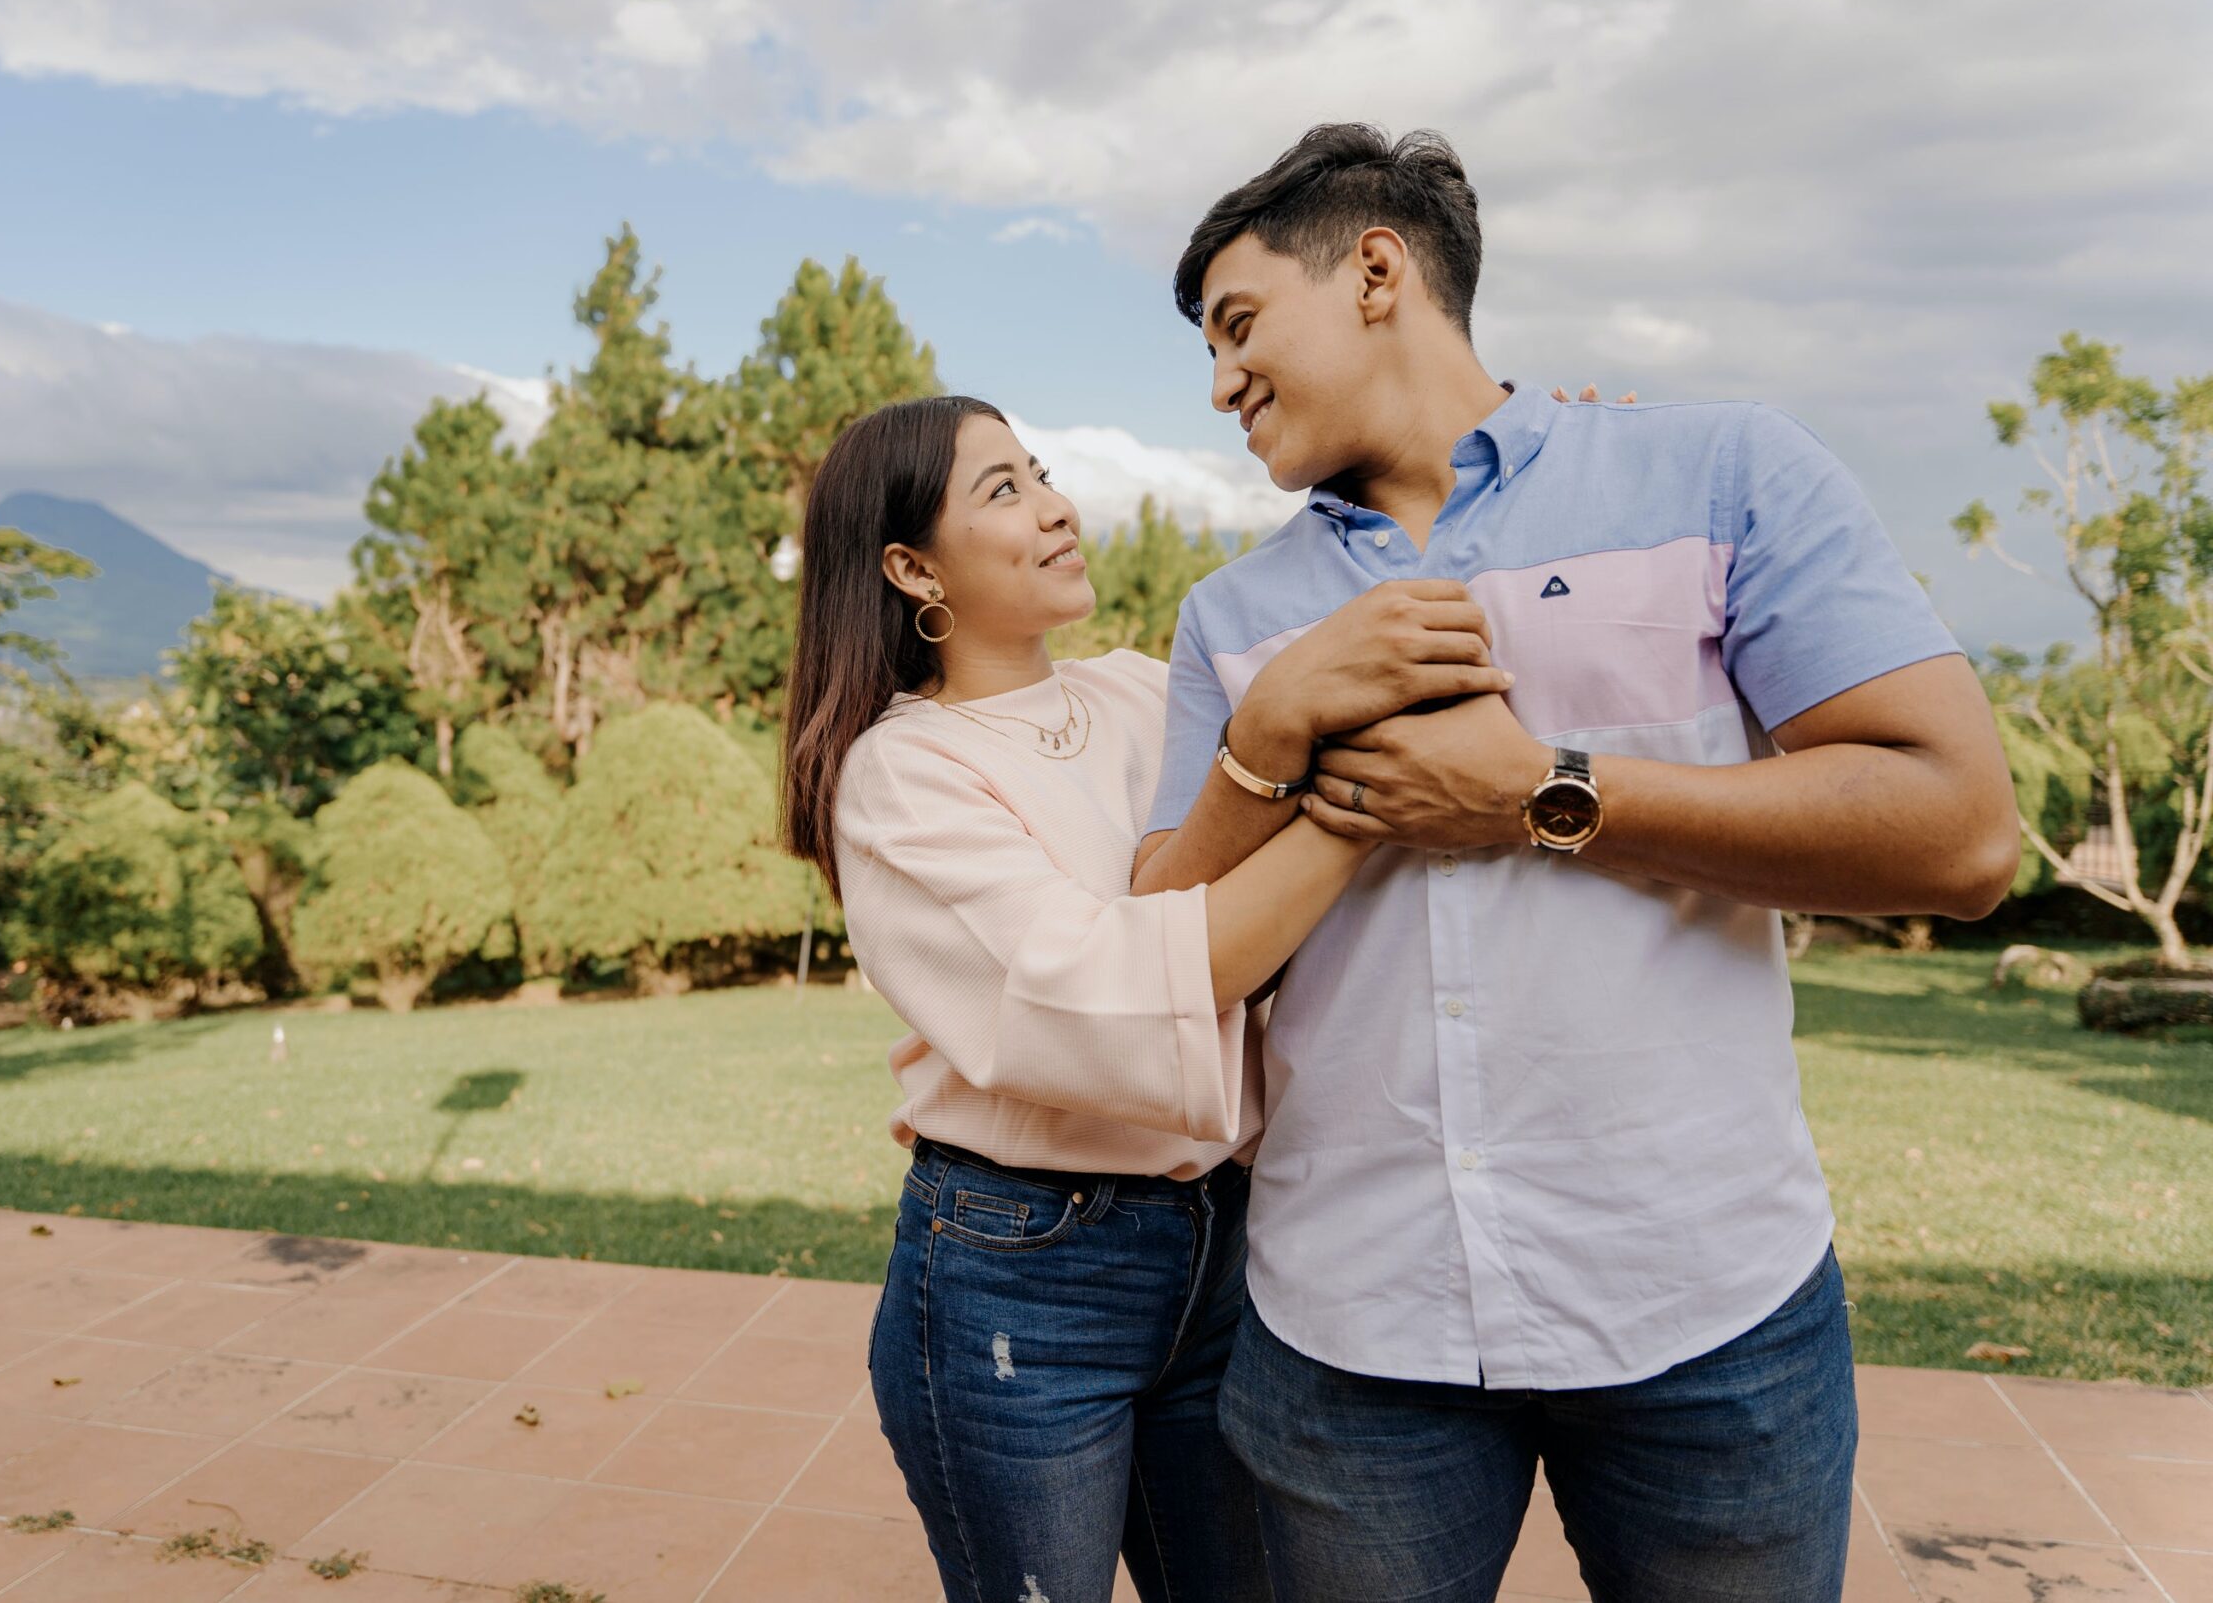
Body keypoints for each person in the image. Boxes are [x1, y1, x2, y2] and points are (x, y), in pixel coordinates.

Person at [1134, 123, 2021, 1603]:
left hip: (1707, 1305)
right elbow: (1161, 942)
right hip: (1350, 1334)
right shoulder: (1232, 613)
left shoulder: (1721, 471)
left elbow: (1962, 830)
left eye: (1237, 324)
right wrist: (1274, 727)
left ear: (1375, 270)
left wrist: (1543, 793)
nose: (1219, 380)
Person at [777, 392, 1521, 1603]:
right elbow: (1124, 983)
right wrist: (1376, 812)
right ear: (913, 566)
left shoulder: (1137, 690)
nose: (1056, 507)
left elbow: (1362, 675)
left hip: (1223, 1255)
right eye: (1002, 492)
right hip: (1021, 1277)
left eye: (1043, 473)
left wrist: (1531, 466)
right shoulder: (901, 773)